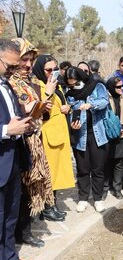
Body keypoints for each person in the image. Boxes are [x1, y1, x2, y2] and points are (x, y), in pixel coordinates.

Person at [9, 39, 63, 250]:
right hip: (16, 142)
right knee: (19, 191)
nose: (28, 65)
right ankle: (17, 234)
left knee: (29, 190)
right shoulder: (9, 82)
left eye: (31, 60)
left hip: (33, 142)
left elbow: (42, 111)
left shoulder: (30, 81)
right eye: (24, 60)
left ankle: (24, 231)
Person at [0, 38, 37, 260]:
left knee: (11, 213)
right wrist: (5, 129)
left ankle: (9, 257)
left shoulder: (7, 84)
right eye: (11, 66)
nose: (15, 70)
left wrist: (25, 123)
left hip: (12, 157)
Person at [31, 54, 75, 215]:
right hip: (48, 136)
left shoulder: (57, 85)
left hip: (60, 135)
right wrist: (48, 92)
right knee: (49, 174)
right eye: (48, 69)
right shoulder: (37, 86)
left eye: (55, 69)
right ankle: (46, 207)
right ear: (40, 70)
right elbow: (41, 111)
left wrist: (67, 107)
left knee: (57, 173)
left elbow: (61, 103)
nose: (52, 72)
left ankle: (52, 204)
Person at [65, 66, 110, 213]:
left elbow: (104, 101)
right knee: (83, 169)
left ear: (81, 78)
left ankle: (97, 199)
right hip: (80, 137)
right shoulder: (70, 94)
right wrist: (73, 122)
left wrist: (91, 104)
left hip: (98, 134)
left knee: (98, 169)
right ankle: (83, 198)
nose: (73, 86)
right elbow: (72, 110)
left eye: (75, 83)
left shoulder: (97, 86)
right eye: (70, 84)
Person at [103, 77, 123, 200]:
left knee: (119, 163)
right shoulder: (105, 99)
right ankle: (104, 188)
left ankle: (117, 189)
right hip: (107, 135)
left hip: (122, 135)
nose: (121, 89)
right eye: (118, 87)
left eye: (122, 86)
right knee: (106, 162)